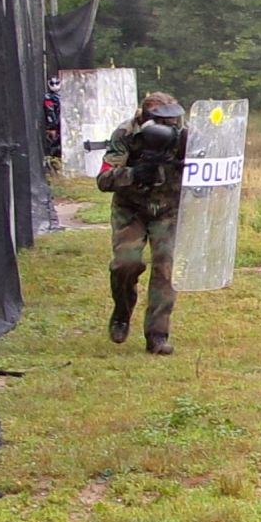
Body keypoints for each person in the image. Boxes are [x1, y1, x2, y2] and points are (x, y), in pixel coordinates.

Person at [96, 92, 188, 356]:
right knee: (126, 263)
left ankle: (157, 335)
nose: (171, 125)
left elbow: (209, 164)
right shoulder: (126, 134)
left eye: (173, 120)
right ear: (147, 119)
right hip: (131, 209)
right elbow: (104, 179)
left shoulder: (184, 135)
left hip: (168, 209)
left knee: (166, 269)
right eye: (164, 121)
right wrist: (134, 173)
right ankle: (122, 311)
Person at [43, 76, 62, 163]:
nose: (55, 86)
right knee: (54, 147)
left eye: (57, 83)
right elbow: (49, 113)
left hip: (60, 125)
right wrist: (52, 127)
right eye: (52, 84)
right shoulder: (49, 98)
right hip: (54, 126)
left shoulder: (60, 96)